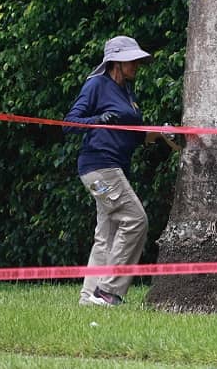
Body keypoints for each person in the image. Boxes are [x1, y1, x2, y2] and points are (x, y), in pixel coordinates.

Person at [64, 35, 164, 307]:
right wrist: (97, 119)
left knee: (106, 233)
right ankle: (108, 291)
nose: (137, 65)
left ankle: (89, 297)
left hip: (111, 167)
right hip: (100, 166)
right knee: (136, 220)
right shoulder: (97, 85)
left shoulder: (127, 92)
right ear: (115, 62)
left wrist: (160, 135)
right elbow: (69, 123)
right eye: (132, 60)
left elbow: (131, 134)